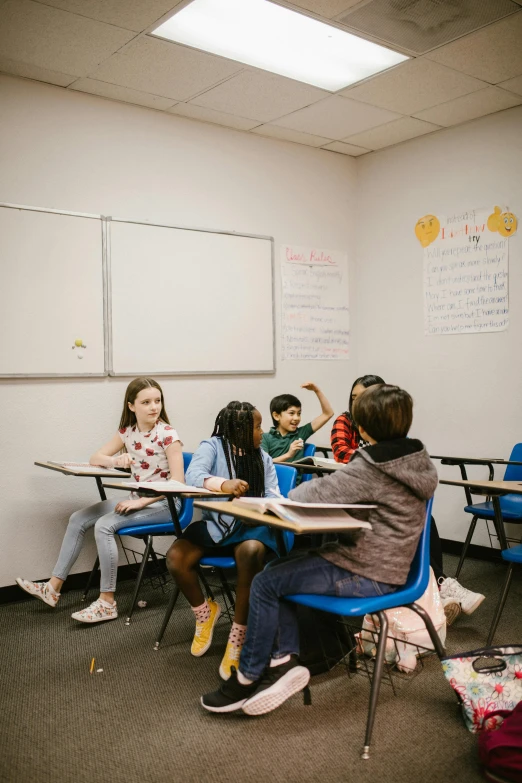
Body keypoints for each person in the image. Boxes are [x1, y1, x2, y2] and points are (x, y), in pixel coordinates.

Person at [201, 384, 438, 714]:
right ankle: (284, 660)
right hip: (392, 568)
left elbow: (305, 496)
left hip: (363, 572)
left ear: (363, 427)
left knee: (266, 582)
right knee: (274, 571)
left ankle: (246, 677)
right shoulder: (416, 460)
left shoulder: (372, 467)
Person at [17, 377, 184, 623]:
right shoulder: (128, 432)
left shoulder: (168, 434)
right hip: (136, 497)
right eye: (146, 402)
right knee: (79, 518)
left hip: (165, 504)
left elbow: (177, 483)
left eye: (157, 401)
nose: (154, 407)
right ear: (131, 406)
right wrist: (117, 461)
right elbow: (96, 457)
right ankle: (53, 588)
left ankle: (107, 602)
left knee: (104, 525)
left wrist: (140, 503)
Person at [331, 374, 485, 623]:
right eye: (354, 398)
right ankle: (439, 590)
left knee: (425, 518)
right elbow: (341, 452)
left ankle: (438, 588)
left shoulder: (385, 423)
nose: (357, 403)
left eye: (364, 398)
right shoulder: (345, 421)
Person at [166, 401, 280, 681]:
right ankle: (206, 613)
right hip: (219, 526)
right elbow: (193, 476)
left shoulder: (262, 458)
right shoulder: (214, 446)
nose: (262, 433)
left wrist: (267, 506)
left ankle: (238, 635)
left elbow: (275, 495)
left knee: (251, 551)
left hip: (253, 528)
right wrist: (222, 484)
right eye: (257, 426)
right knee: (176, 558)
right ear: (239, 430)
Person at [262, 382, 333, 467]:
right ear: (276, 416)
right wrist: (288, 455)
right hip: (272, 480)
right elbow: (264, 465)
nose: (296, 418)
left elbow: (328, 414)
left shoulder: (301, 433)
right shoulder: (265, 438)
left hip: (294, 480)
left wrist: (316, 390)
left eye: (299, 413)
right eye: (291, 413)